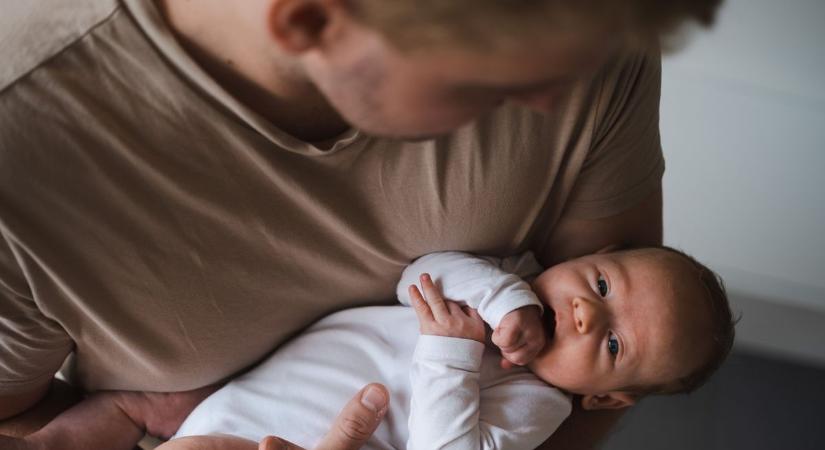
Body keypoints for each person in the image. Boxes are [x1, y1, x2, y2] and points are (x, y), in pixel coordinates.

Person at [0, 0, 722, 448]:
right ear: (310, 19)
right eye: (494, 79)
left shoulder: (576, 32)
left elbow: (622, 356)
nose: (549, 101)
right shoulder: (25, 152)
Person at [8, 247, 735, 450]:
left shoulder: (536, 407)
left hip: (293, 440)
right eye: (602, 281)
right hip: (225, 394)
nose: (579, 310)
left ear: (603, 398)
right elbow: (416, 275)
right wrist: (498, 298)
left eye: (609, 340)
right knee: (144, 401)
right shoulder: (508, 275)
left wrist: (451, 355)